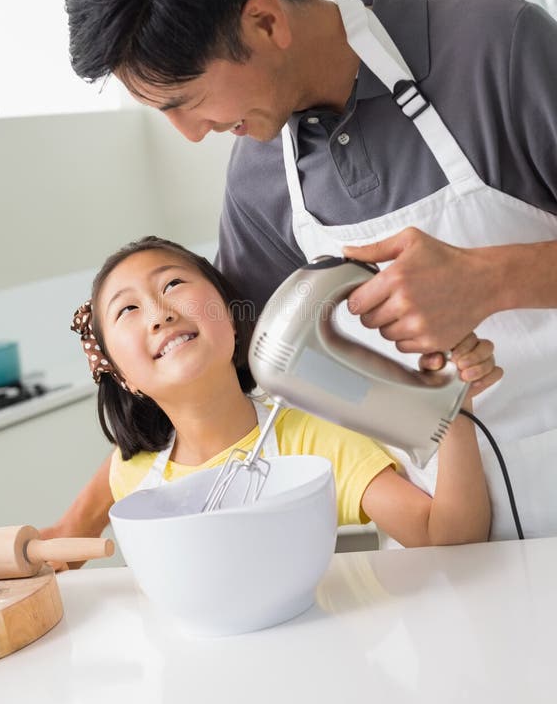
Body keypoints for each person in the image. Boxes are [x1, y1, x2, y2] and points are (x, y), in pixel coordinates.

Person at [64, 0, 557, 539]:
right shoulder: (258, 176)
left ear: (266, 22)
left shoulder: (494, 48)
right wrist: (65, 530)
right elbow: (216, 367)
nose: (191, 133)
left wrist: (495, 279)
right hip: (462, 553)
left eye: (185, 99)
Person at [48, 234, 500, 566]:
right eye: (127, 309)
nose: (159, 313)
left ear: (231, 315)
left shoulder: (317, 442)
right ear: (120, 375)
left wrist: (455, 408)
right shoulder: (132, 474)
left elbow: (447, 539)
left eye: (172, 285)